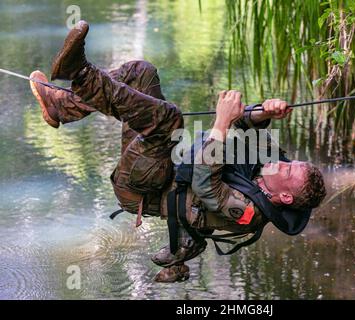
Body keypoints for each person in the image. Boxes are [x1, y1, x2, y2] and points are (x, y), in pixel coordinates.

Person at [29, 21, 326, 282]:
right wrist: (266, 112)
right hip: (157, 164)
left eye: (287, 170)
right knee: (140, 72)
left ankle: (80, 73)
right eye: (289, 163)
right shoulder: (270, 169)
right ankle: (61, 106)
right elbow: (249, 127)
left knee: (169, 119)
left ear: (284, 197)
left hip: (142, 187)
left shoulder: (247, 213)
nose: (282, 163)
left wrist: (221, 123)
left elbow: (204, 183)